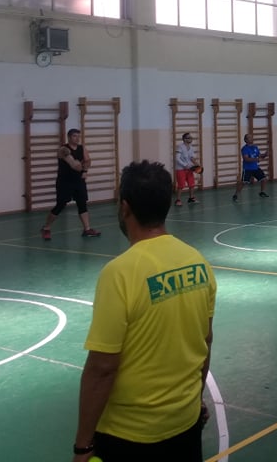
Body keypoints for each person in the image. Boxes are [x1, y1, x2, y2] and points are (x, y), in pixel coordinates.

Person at [72, 160, 216, 462]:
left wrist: (83, 445)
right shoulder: (198, 262)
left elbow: (103, 367)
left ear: (125, 207)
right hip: (186, 423)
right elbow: (206, 341)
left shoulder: (119, 273)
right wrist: (195, 399)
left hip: (130, 435)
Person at [41, 128, 100, 240]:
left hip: (78, 181)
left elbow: (88, 160)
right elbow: (75, 165)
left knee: (82, 204)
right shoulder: (63, 150)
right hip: (65, 182)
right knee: (60, 205)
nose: (77, 138)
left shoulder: (82, 148)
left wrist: (85, 170)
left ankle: (87, 229)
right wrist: (82, 166)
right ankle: (46, 228)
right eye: (74, 136)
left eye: (78, 136)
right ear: (69, 137)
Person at [232, 133, 269, 201]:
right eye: (249, 137)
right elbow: (246, 159)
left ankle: (262, 192)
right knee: (243, 182)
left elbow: (260, 156)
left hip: (255, 168)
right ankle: (236, 195)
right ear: (246, 140)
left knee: (264, 179)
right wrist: (256, 159)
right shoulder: (244, 149)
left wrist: (265, 154)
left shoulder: (255, 147)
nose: (251, 138)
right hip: (247, 169)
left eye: (251, 137)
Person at [174, 132, 199, 207]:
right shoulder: (180, 147)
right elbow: (177, 158)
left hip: (190, 169)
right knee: (181, 185)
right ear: (184, 139)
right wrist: (185, 165)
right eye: (189, 138)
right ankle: (178, 200)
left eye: (191, 137)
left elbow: (191, 157)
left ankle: (191, 198)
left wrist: (196, 164)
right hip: (180, 169)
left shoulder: (191, 147)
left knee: (192, 184)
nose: (191, 139)